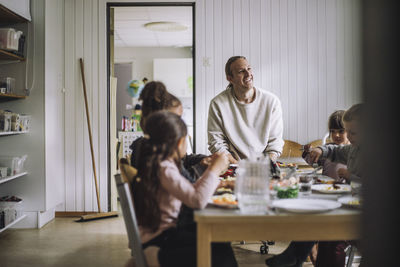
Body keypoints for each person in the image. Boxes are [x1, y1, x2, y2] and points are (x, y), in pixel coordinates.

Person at [132, 111, 238, 267]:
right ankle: (157, 257)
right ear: (180, 142)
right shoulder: (164, 168)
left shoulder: (161, 163)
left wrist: (213, 177)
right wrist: (214, 170)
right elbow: (196, 200)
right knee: (220, 251)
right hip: (162, 239)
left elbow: (189, 191)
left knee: (219, 243)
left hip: (165, 233)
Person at [266, 104, 364, 267]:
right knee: (317, 217)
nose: (350, 136)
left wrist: (350, 176)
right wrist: (321, 149)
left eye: (352, 133)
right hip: (349, 205)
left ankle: (295, 256)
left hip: (362, 214)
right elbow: (336, 150)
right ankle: (295, 255)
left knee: (330, 235)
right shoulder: (353, 149)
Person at [208, 56, 284, 163]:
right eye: (241, 71)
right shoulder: (217, 104)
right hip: (233, 165)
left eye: (249, 68)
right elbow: (216, 143)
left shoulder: (272, 101)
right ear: (230, 78)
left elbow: (275, 142)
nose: (248, 74)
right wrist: (237, 166)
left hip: (265, 165)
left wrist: (265, 165)